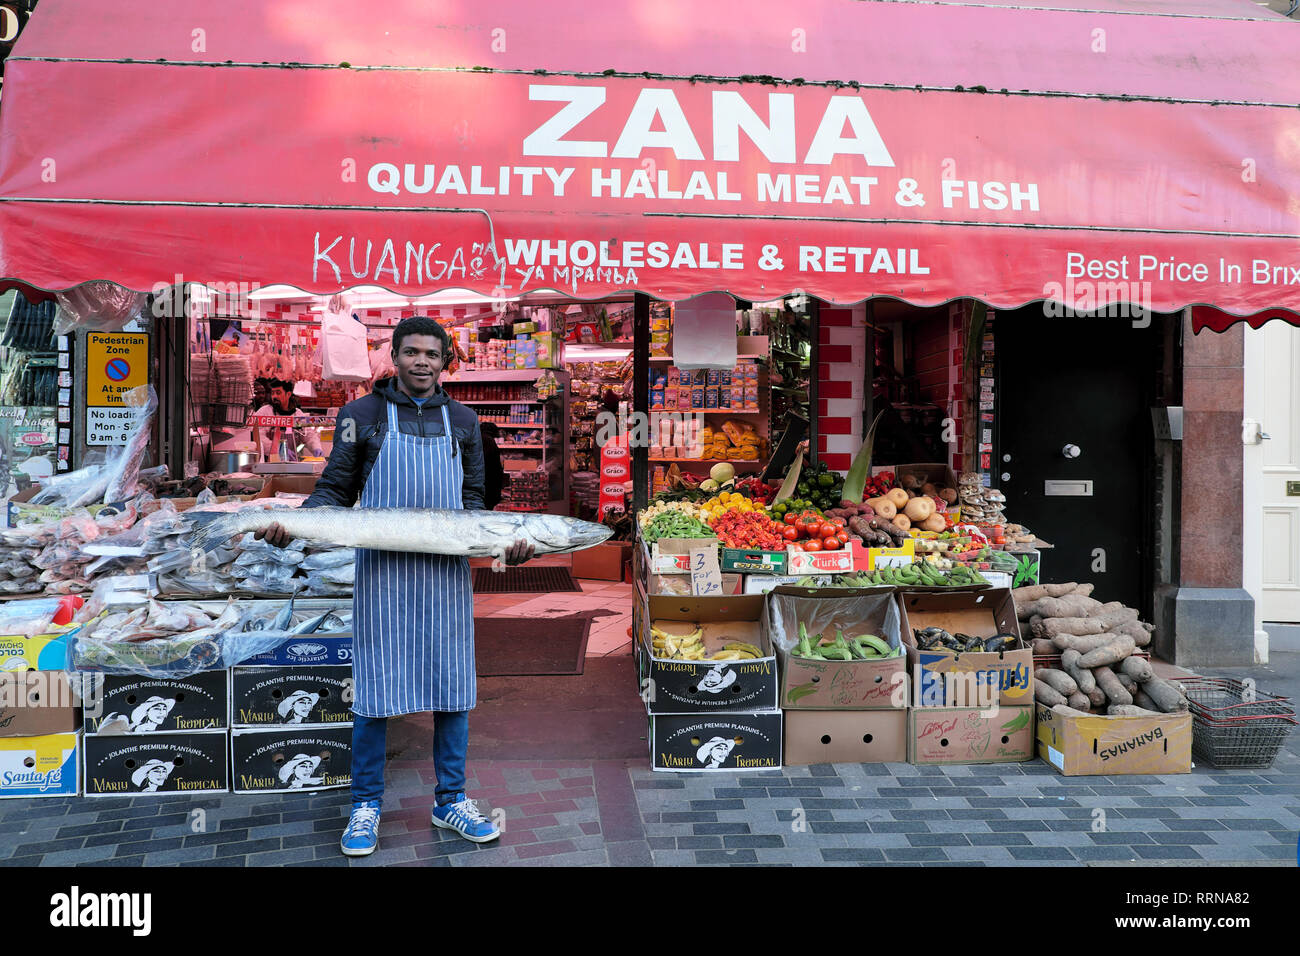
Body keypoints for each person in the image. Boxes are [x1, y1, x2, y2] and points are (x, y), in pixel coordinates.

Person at [253, 316, 534, 858]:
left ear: (445, 358)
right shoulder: (361, 416)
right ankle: (365, 805)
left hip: (445, 578)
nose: (422, 362)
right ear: (394, 358)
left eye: (432, 353)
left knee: (453, 688)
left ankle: (450, 798)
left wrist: (502, 543)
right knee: (375, 692)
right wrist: (297, 524)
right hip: (383, 574)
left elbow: (474, 501)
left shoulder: (465, 421)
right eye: (411, 353)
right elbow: (335, 485)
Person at [252, 378, 322, 460]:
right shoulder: (264, 412)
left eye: (278, 393)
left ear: (288, 394)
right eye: (273, 393)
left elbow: (309, 435)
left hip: (292, 461)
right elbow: (259, 438)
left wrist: (316, 448)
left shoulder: (297, 413)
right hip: (269, 461)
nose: (274, 396)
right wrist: (281, 450)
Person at [479, 421, 505, 510]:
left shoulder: (479, 439)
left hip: (480, 480)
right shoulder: (489, 441)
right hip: (489, 482)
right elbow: (494, 466)